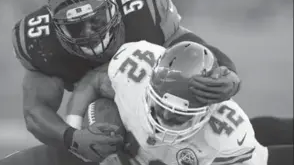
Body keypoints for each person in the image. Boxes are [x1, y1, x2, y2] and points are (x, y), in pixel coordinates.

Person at [12, 0, 241, 162]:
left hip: (154, 97)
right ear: (56, 25)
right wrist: (71, 137)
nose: (89, 32)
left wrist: (227, 72)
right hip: (102, 104)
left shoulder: (144, 10)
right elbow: (35, 111)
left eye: (97, 19)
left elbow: (193, 49)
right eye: (75, 26)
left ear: (114, 5)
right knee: (102, 113)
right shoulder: (42, 42)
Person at [67, 40, 268, 165]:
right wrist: (73, 130)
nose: (165, 117)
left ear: (207, 110)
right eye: (160, 106)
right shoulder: (133, 67)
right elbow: (94, 81)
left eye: (179, 114)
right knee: (101, 112)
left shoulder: (228, 135)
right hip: (133, 152)